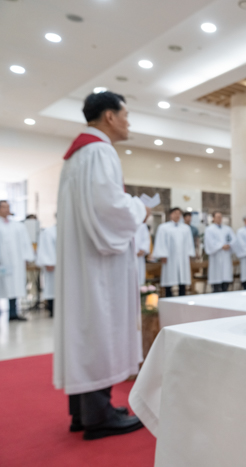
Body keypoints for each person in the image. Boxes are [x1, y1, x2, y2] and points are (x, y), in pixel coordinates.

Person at [54, 91, 147, 439]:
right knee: (99, 327)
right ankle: (99, 416)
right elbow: (110, 209)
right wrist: (140, 208)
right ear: (109, 116)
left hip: (85, 260)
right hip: (99, 264)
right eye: (126, 115)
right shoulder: (99, 151)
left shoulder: (79, 155)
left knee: (87, 328)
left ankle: (85, 411)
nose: (128, 122)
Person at [0, 200, 35, 322]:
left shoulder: (18, 226)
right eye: (3, 207)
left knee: (14, 287)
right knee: (4, 287)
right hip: (2, 262)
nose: (6, 209)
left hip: (16, 262)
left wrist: (27, 258)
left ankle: (13, 313)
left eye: (8, 207)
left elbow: (25, 242)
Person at [153, 207, 196, 297]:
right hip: (169, 257)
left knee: (182, 277)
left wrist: (189, 254)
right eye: (175, 213)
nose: (177, 215)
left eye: (179, 213)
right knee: (169, 277)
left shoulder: (185, 228)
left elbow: (189, 242)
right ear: (171, 215)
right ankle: (169, 296)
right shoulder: (164, 227)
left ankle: (182, 296)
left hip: (182, 257)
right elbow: (160, 242)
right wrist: (162, 254)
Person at [204, 211, 237, 292]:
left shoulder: (227, 229)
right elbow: (209, 243)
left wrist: (229, 245)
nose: (220, 219)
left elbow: (233, 240)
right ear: (213, 218)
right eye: (218, 217)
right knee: (216, 277)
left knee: (226, 277)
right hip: (216, 256)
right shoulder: (209, 229)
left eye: (221, 217)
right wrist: (221, 246)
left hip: (226, 255)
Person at [36, 222, 57, 317]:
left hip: (66, 265)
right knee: (52, 287)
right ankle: (52, 309)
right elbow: (45, 247)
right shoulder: (49, 231)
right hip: (52, 265)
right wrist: (48, 261)